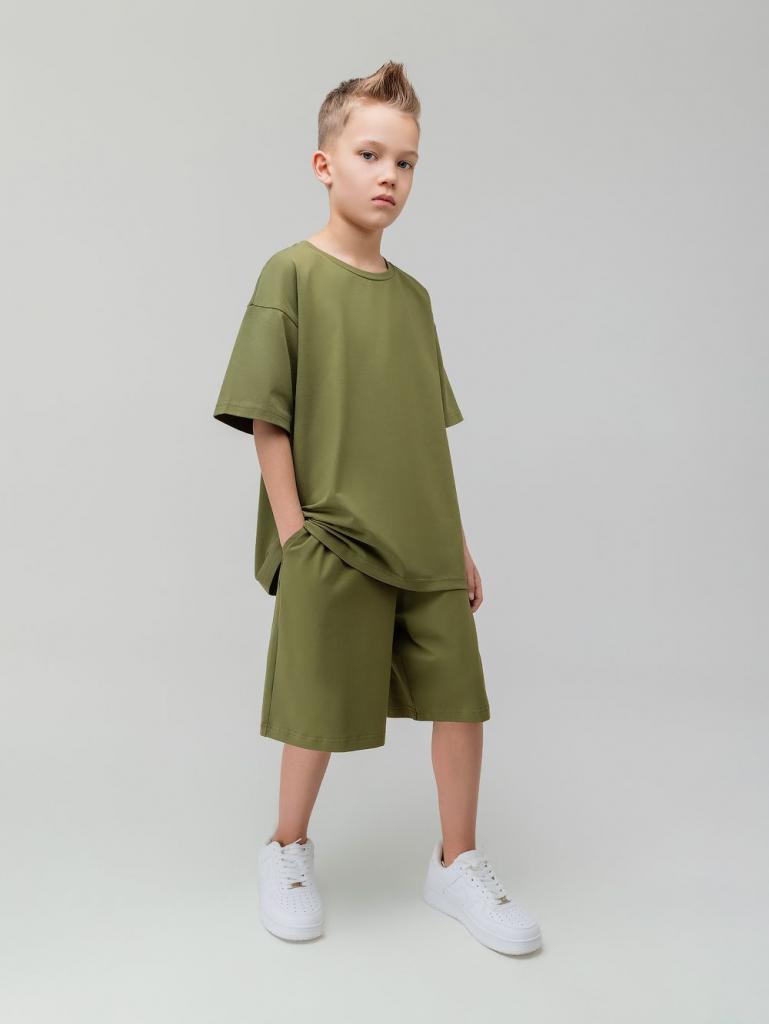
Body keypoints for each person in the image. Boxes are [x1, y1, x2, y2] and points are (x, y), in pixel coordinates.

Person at [212, 61, 542, 956]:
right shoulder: (290, 274)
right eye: (369, 154)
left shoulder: (414, 300)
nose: (389, 175)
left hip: (424, 535)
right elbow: (266, 417)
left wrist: (457, 544)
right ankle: (286, 849)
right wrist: (294, 535)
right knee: (317, 704)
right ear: (325, 165)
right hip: (336, 536)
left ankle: (456, 863)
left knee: (460, 703)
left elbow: (423, 432)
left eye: (405, 162)